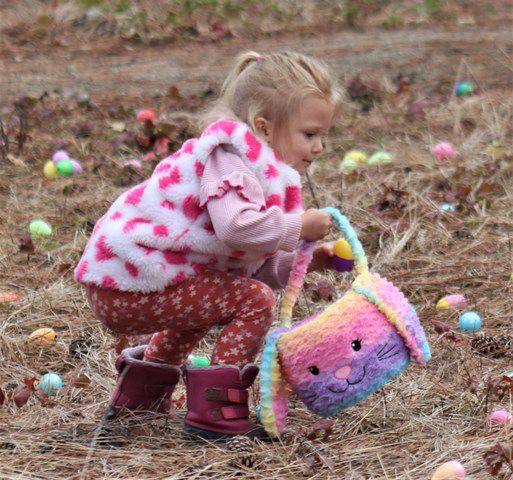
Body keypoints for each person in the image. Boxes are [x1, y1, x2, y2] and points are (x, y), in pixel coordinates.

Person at [74, 50, 346, 440]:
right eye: (309, 134)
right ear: (264, 127)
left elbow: (252, 263)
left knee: (215, 297)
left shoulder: (253, 169)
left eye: (323, 135)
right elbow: (236, 229)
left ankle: (138, 404)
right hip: (127, 281)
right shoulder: (230, 163)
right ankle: (215, 412)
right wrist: (297, 226)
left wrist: (312, 260)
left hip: (131, 282)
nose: (319, 146)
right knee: (255, 301)